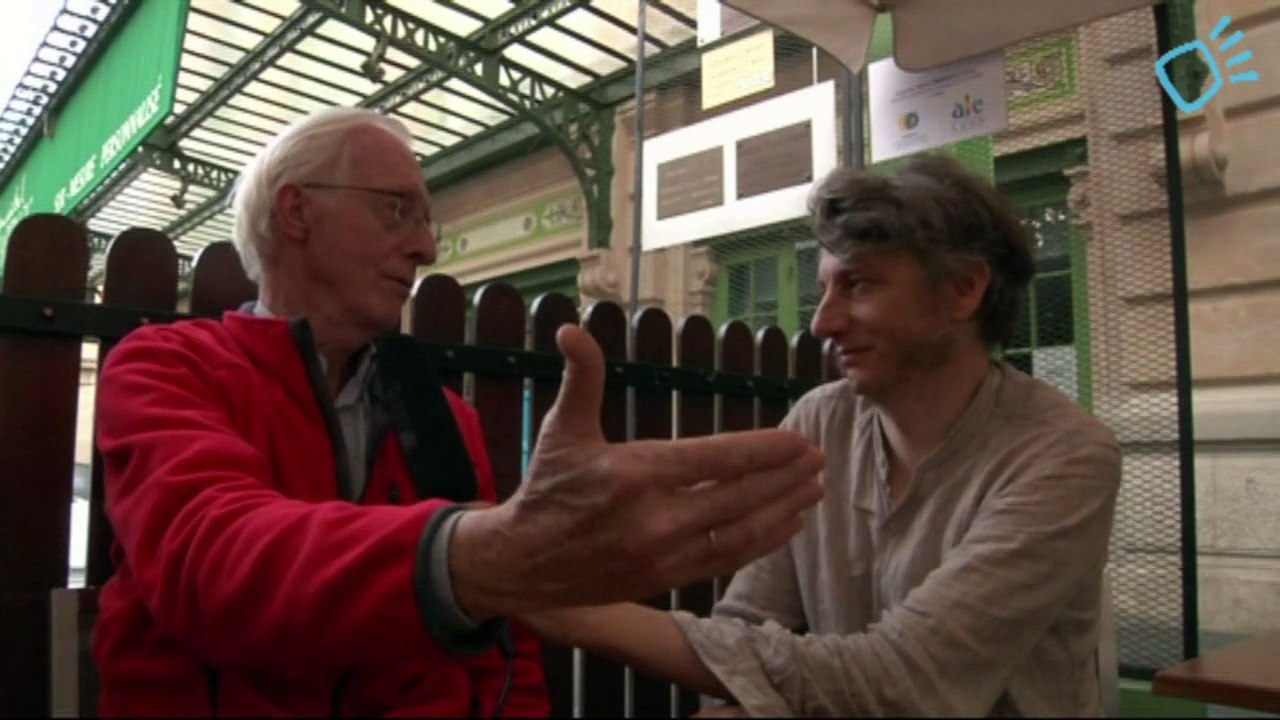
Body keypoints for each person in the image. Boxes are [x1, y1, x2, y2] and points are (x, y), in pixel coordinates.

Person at [91, 107, 826, 717]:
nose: (426, 247)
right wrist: (482, 556)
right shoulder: (166, 366)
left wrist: (500, 570)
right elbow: (211, 561)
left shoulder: (440, 412)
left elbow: (504, 650)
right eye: (396, 210)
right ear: (296, 211)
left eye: (427, 220)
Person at [523, 155, 1122, 717]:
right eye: (825, 288)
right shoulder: (819, 423)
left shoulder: (1064, 455)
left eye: (858, 285)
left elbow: (906, 683)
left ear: (963, 289)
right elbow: (747, 627)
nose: (820, 322)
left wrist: (575, 611)